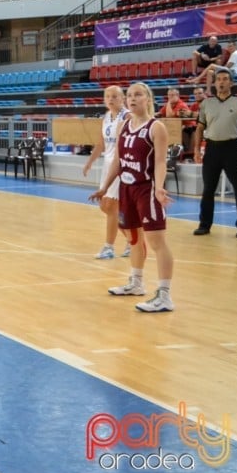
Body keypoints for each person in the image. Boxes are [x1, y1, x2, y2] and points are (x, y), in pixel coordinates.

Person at [89, 82, 175, 312]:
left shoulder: (156, 128)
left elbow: (160, 162)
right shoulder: (124, 126)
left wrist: (158, 187)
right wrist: (105, 187)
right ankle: (136, 283)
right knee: (134, 239)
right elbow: (117, 160)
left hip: (146, 189)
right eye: (129, 95)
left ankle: (165, 295)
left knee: (157, 241)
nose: (132, 99)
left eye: (138, 95)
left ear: (148, 98)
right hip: (126, 188)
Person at [193, 67, 237, 238]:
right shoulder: (206, 104)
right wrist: (197, 149)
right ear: (215, 83)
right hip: (212, 148)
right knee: (208, 189)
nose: (221, 82)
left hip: (232, 148)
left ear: (231, 83)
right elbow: (199, 128)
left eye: (225, 79)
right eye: (219, 79)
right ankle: (204, 225)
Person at [82, 85, 131, 259]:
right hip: (107, 165)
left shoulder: (127, 117)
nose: (110, 99)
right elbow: (101, 144)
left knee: (111, 206)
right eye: (107, 96)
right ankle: (133, 240)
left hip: (121, 165)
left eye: (115, 96)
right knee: (106, 206)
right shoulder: (106, 117)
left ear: (122, 98)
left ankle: (109, 247)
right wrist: (89, 162)